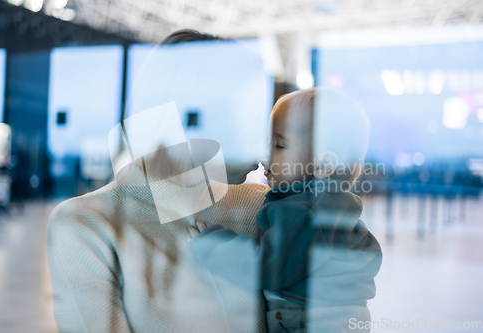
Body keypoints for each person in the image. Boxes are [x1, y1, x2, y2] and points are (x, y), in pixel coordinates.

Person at [47, 29, 271, 333]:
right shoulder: (88, 224)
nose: (262, 138)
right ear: (191, 113)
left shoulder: (263, 205)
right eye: (250, 116)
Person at [187, 88, 383, 332]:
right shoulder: (333, 207)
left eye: (279, 145)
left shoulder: (305, 211)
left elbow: (268, 267)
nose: (265, 154)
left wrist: (211, 244)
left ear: (324, 165)